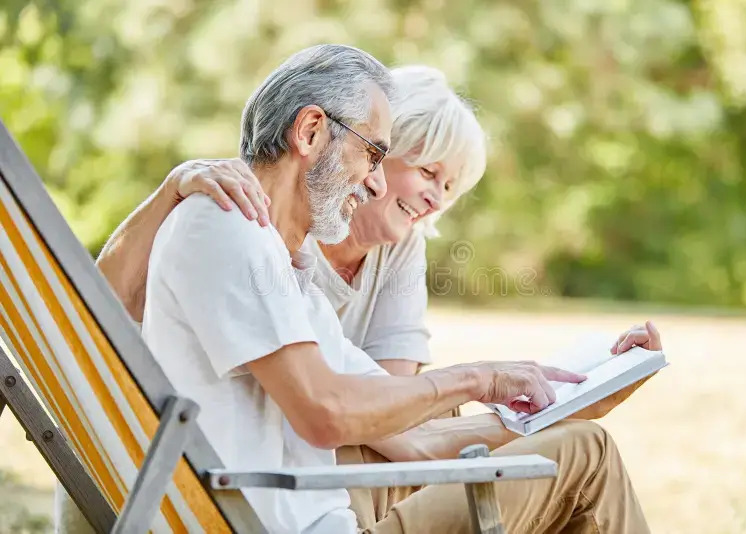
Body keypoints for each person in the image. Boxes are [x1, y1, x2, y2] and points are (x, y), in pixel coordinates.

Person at [59, 44, 659, 533]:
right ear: (311, 131)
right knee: (587, 455)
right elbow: (326, 415)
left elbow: (414, 438)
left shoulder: (285, 270)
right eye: (374, 154)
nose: (375, 183)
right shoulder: (224, 227)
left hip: (320, 510)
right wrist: (478, 378)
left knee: (579, 441)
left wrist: (576, 401)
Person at [97, 64, 487, 378]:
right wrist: (172, 187)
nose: (437, 199)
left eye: (449, 187)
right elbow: (105, 306)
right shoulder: (267, 214)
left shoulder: (401, 246)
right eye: (428, 172)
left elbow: (391, 398)